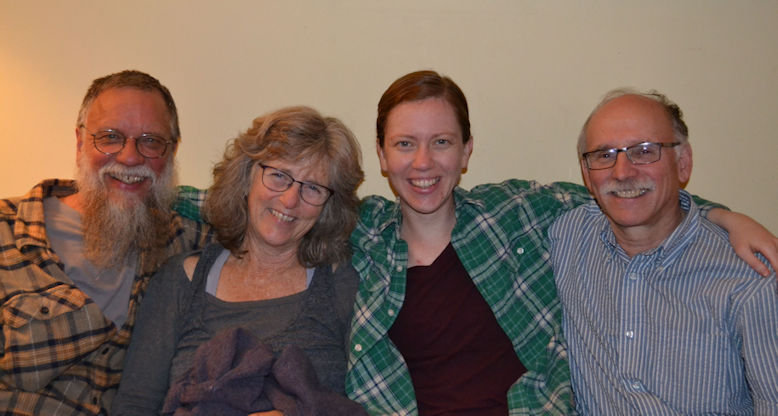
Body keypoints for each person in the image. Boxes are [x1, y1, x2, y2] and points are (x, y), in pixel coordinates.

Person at [344, 71, 778, 415]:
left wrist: (723, 216)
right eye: (404, 144)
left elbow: (637, 195)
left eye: (441, 142)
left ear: (466, 152)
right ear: (381, 156)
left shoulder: (520, 214)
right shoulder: (358, 237)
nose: (423, 162)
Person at [113, 106, 366, 415]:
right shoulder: (179, 281)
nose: (289, 200)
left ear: (328, 205)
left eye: (312, 188)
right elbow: (135, 406)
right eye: (278, 176)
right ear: (247, 177)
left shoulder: (344, 284)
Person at [550, 89, 778, 414]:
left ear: (683, 164)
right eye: (604, 155)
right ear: (586, 176)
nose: (622, 172)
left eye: (644, 151)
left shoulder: (749, 276)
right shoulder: (566, 236)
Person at [0, 70, 211, 415]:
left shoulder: (188, 242)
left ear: (173, 152)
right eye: (110, 137)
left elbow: (267, 210)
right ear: (81, 141)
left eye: (151, 141)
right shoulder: (8, 229)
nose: (130, 157)